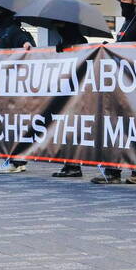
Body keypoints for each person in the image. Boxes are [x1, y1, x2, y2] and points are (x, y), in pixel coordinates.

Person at [92, 0, 136, 185]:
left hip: (135, 86)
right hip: (120, 84)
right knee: (117, 129)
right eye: (121, 2)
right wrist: (110, 47)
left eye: (126, 2)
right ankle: (113, 171)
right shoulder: (127, 22)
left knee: (135, 129)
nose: (123, 6)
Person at [0, 7, 35, 174]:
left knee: (13, 126)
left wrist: (26, 45)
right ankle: (19, 160)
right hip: (4, 87)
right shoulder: (2, 32)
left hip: (15, 89)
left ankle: (14, 161)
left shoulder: (14, 31)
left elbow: (26, 44)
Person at [51, 22, 89, 178]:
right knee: (64, 130)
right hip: (65, 91)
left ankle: (74, 165)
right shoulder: (63, 41)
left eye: (61, 24)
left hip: (77, 94)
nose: (58, 28)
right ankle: (68, 164)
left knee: (73, 130)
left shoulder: (81, 41)